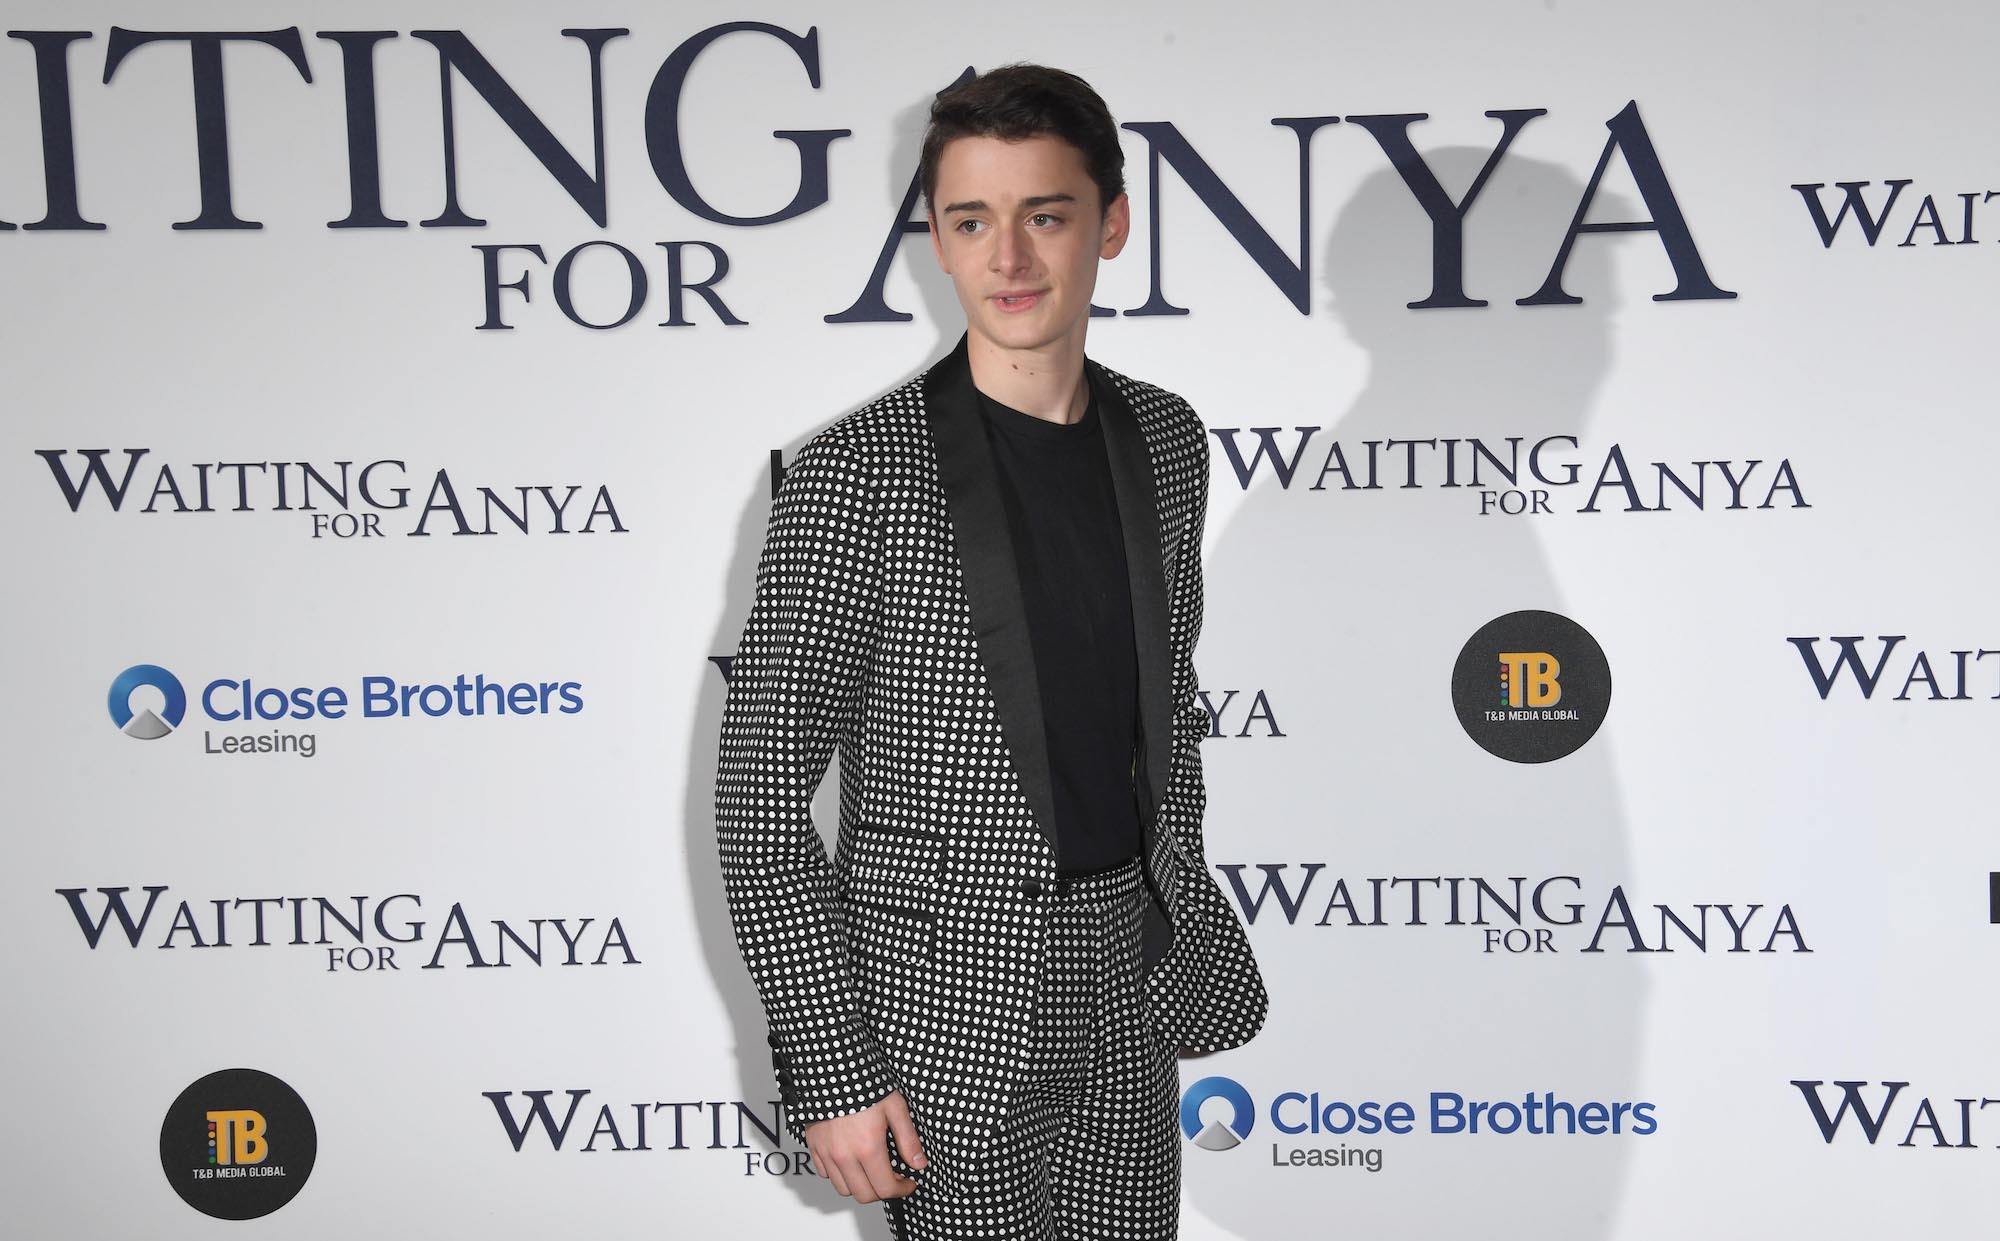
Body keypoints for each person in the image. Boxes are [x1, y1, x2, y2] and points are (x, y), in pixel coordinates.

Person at [715, 63, 1267, 1240]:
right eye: (972, 220)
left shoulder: (1164, 439)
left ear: (1110, 224)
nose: (1008, 257)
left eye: (1044, 215)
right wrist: (833, 1059)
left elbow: (1161, 710)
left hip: (1127, 973)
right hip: (942, 1010)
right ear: (938, 239)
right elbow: (758, 799)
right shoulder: (853, 475)